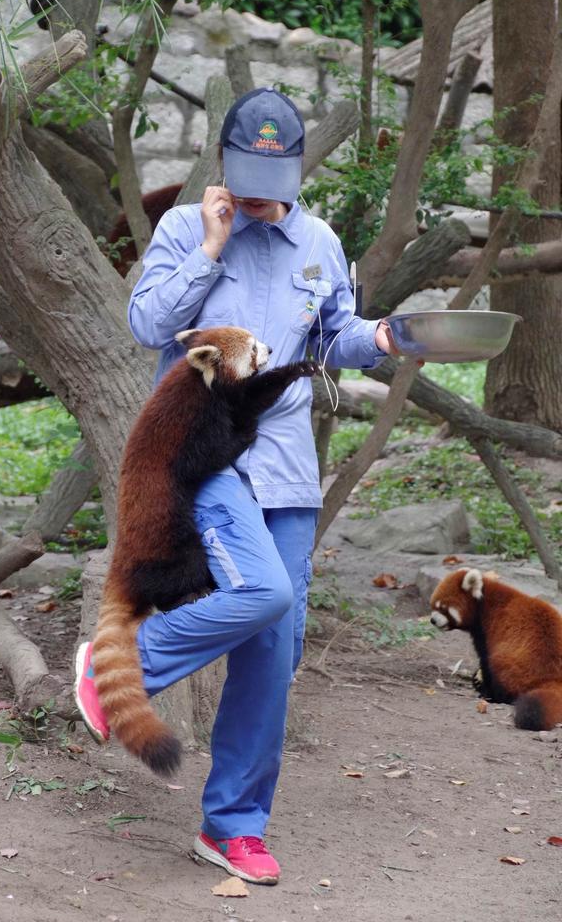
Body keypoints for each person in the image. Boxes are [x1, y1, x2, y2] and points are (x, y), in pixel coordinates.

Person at [75, 87, 397, 885]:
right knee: (264, 595)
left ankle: (233, 827)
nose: (258, 191)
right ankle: (124, 667)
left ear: (295, 168)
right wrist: (212, 245)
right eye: (245, 173)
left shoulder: (319, 241)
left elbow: (337, 336)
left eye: (273, 175)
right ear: (222, 164)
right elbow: (148, 326)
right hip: (206, 462)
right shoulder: (187, 228)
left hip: (284, 466)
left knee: (274, 647)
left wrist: (386, 336)